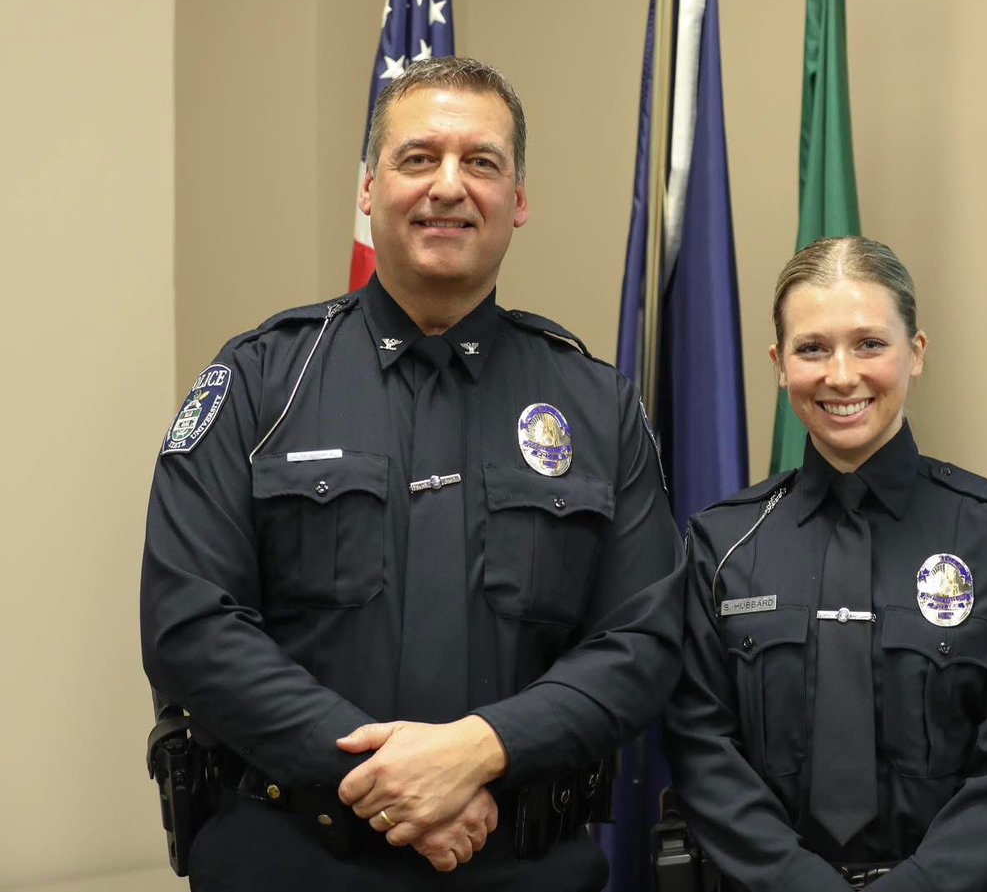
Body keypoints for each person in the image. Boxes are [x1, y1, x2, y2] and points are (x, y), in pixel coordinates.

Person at [141, 56, 682, 891]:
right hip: (291, 866)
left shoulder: (597, 408)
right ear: (368, 188)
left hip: (524, 868)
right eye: (418, 157)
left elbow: (642, 642)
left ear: (518, 199)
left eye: (482, 162)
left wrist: (482, 748)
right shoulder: (260, 383)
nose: (448, 186)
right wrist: (387, 779)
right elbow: (190, 623)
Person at [664, 237, 987, 892]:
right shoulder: (723, 545)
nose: (841, 375)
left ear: (916, 352)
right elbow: (700, 747)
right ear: (778, 364)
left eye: (869, 344)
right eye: (811, 348)